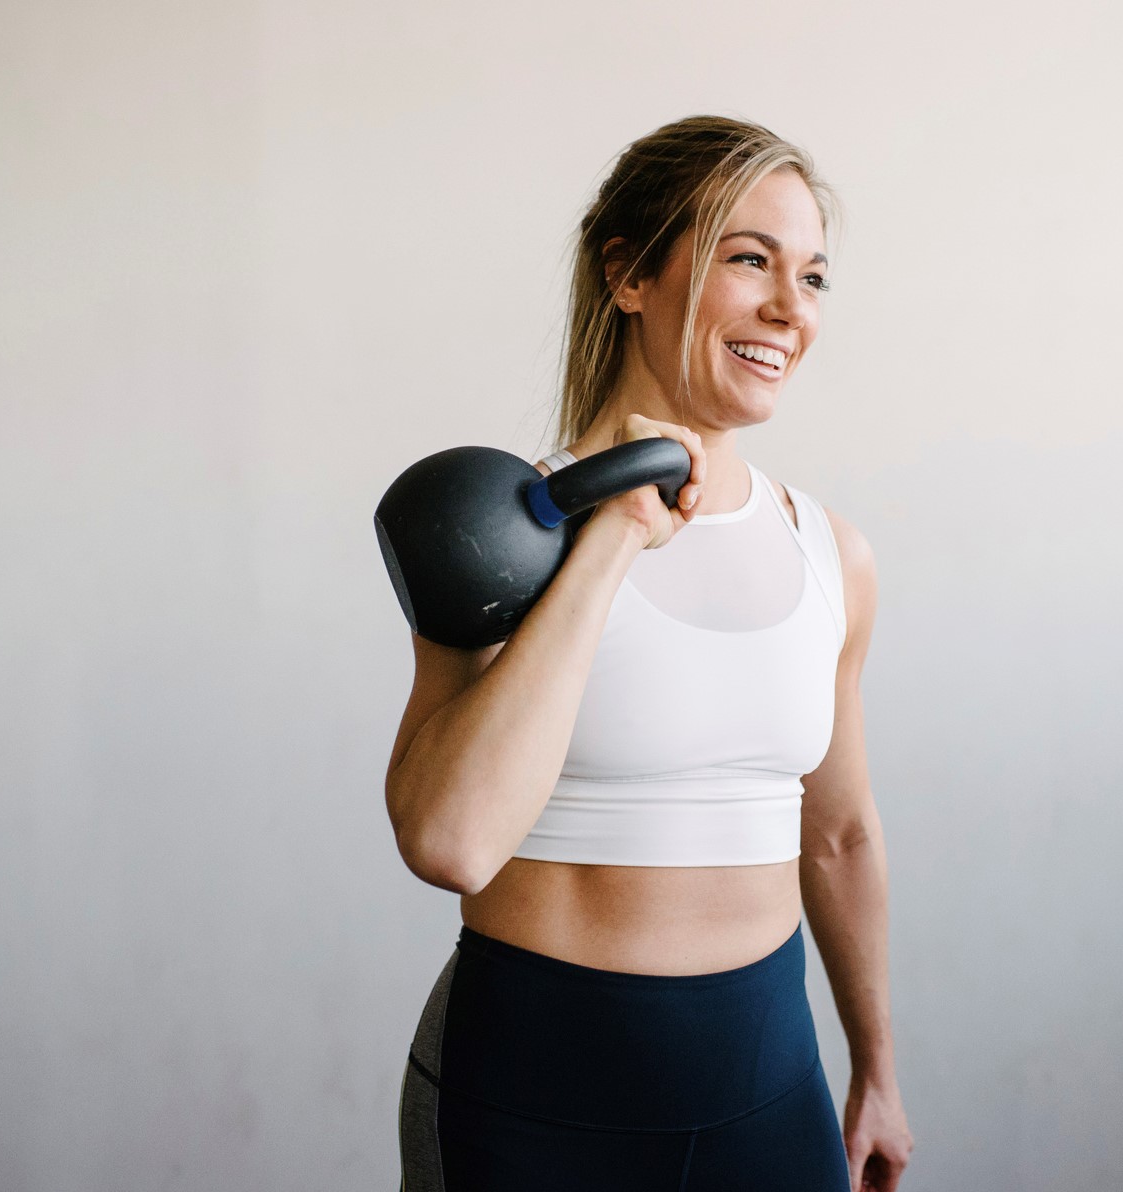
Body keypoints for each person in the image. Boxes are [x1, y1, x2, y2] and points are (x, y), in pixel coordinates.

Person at [386, 115, 913, 1192]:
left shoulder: (832, 557)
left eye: (811, 276)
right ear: (629, 273)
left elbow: (843, 836)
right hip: (530, 1102)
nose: (788, 308)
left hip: (768, 1090)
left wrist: (877, 1071)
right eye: (748, 258)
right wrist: (613, 535)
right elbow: (449, 839)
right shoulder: (501, 536)